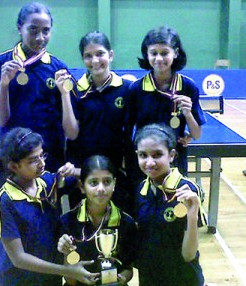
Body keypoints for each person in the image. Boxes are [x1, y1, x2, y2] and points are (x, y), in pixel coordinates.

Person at [0, 3, 68, 285]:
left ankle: (49, 277)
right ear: (20, 29)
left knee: (45, 220)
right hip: (13, 161)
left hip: (46, 160)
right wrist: (5, 84)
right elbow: (1, 117)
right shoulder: (1, 63)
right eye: (33, 30)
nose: (40, 37)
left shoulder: (57, 67)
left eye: (46, 31)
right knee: (3, 224)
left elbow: (66, 123)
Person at [0, 127, 98, 286]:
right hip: (19, 280)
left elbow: (90, 176)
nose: (42, 163)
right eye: (33, 160)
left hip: (50, 278)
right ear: (14, 166)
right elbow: (18, 258)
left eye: (42, 155)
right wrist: (67, 271)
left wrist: (73, 171)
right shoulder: (4, 200)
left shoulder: (47, 181)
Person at [55, 31, 133, 211]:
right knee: (84, 223)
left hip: (115, 170)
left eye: (100, 54)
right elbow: (72, 133)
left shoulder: (127, 89)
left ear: (110, 55)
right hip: (81, 170)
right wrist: (65, 94)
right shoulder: (74, 89)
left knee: (115, 222)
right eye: (88, 56)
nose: (95, 60)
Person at [126, 26, 206, 189]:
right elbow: (127, 131)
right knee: (144, 206)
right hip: (144, 162)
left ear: (175, 53)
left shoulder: (188, 87)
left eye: (164, 53)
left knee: (173, 208)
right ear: (146, 54)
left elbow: (196, 134)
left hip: (174, 160)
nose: (159, 58)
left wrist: (188, 113)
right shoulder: (136, 89)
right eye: (153, 53)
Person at [134, 123, 206, 286]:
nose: (150, 162)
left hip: (183, 278)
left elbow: (189, 255)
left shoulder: (187, 190)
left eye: (157, 155)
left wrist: (192, 215)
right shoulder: (141, 190)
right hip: (149, 277)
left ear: (172, 155)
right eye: (143, 155)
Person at [57, 155, 137, 285]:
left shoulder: (127, 223)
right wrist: (66, 253)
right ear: (82, 187)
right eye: (93, 182)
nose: (101, 189)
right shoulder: (67, 221)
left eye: (107, 181)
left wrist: (121, 279)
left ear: (114, 184)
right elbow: (69, 280)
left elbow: (128, 269)